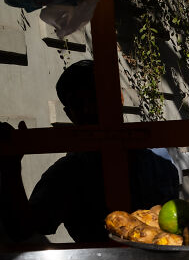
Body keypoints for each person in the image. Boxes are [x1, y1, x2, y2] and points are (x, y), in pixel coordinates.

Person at [0, 60, 179, 243]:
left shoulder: (158, 158)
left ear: (120, 98)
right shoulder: (68, 174)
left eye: (95, 98)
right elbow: (23, 229)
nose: (87, 109)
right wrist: (10, 169)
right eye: (78, 104)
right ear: (69, 114)